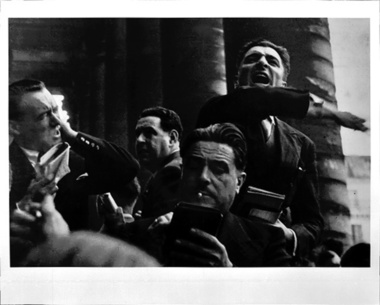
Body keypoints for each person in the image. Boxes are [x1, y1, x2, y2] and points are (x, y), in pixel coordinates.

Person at [196, 39, 367, 261]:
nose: (262, 64)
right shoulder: (216, 113)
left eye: (272, 61)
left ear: (284, 84)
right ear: (237, 79)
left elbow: (312, 221)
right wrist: (332, 114)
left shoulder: (302, 145)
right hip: (215, 246)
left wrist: (289, 236)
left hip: (273, 257)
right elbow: (258, 99)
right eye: (252, 59)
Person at [108, 123, 291, 267]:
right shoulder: (134, 235)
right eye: (194, 167)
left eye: (218, 170)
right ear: (182, 173)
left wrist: (229, 273)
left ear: (239, 182)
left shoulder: (268, 242)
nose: (203, 177)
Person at [9, 79, 140, 231]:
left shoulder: (74, 162)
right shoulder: (6, 162)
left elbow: (128, 168)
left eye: (55, 110)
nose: (57, 121)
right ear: (15, 127)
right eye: (44, 115)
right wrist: (25, 203)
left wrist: (73, 136)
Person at [134, 106, 183, 218]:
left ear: (172, 138)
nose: (140, 140)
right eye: (138, 134)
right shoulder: (174, 167)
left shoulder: (171, 172)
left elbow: (162, 231)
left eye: (149, 132)